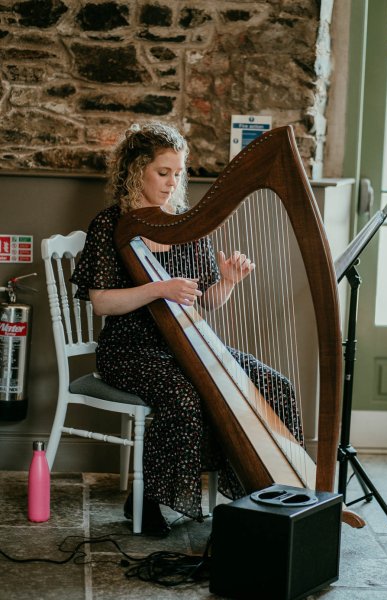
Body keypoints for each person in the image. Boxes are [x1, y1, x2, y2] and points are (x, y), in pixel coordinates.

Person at [71, 121, 302, 536]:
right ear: (135, 170)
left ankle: (273, 496)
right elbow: (102, 301)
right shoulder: (109, 225)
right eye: (163, 172)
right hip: (130, 349)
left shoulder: (185, 226)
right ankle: (149, 500)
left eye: (178, 173)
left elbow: (205, 301)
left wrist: (227, 282)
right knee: (183, 396)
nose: (172, 181)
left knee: (273, 384)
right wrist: (157, 288)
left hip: (189, 345)